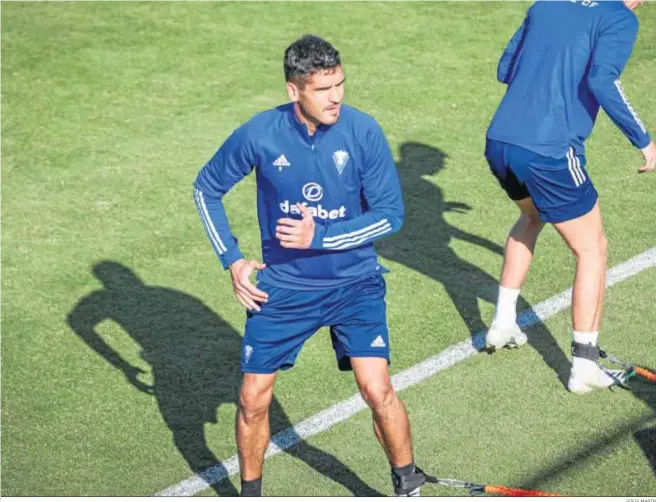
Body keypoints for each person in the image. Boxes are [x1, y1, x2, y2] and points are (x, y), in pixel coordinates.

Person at [193, 34, 426, 496]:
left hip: (355, 284)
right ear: (293, 90)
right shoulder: (260, 134)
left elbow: (389, 216)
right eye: (323, 89)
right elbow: (206, 188)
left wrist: (320, 236)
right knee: (252, 400)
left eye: (339, 84)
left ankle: (407, 483)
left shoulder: (363, 131)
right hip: (284, 288)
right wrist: (232, 261)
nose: (336, 96)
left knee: (377, 390)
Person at [484, 0, 655, 394]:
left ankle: (503, 323)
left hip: (500, 141)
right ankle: (585, 366)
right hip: (551, 152)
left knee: (530, 217)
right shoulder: (618, 18)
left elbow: (504, 68)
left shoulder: (546, 3)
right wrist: (644, 142)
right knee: (593, 248)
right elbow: (603, 81)